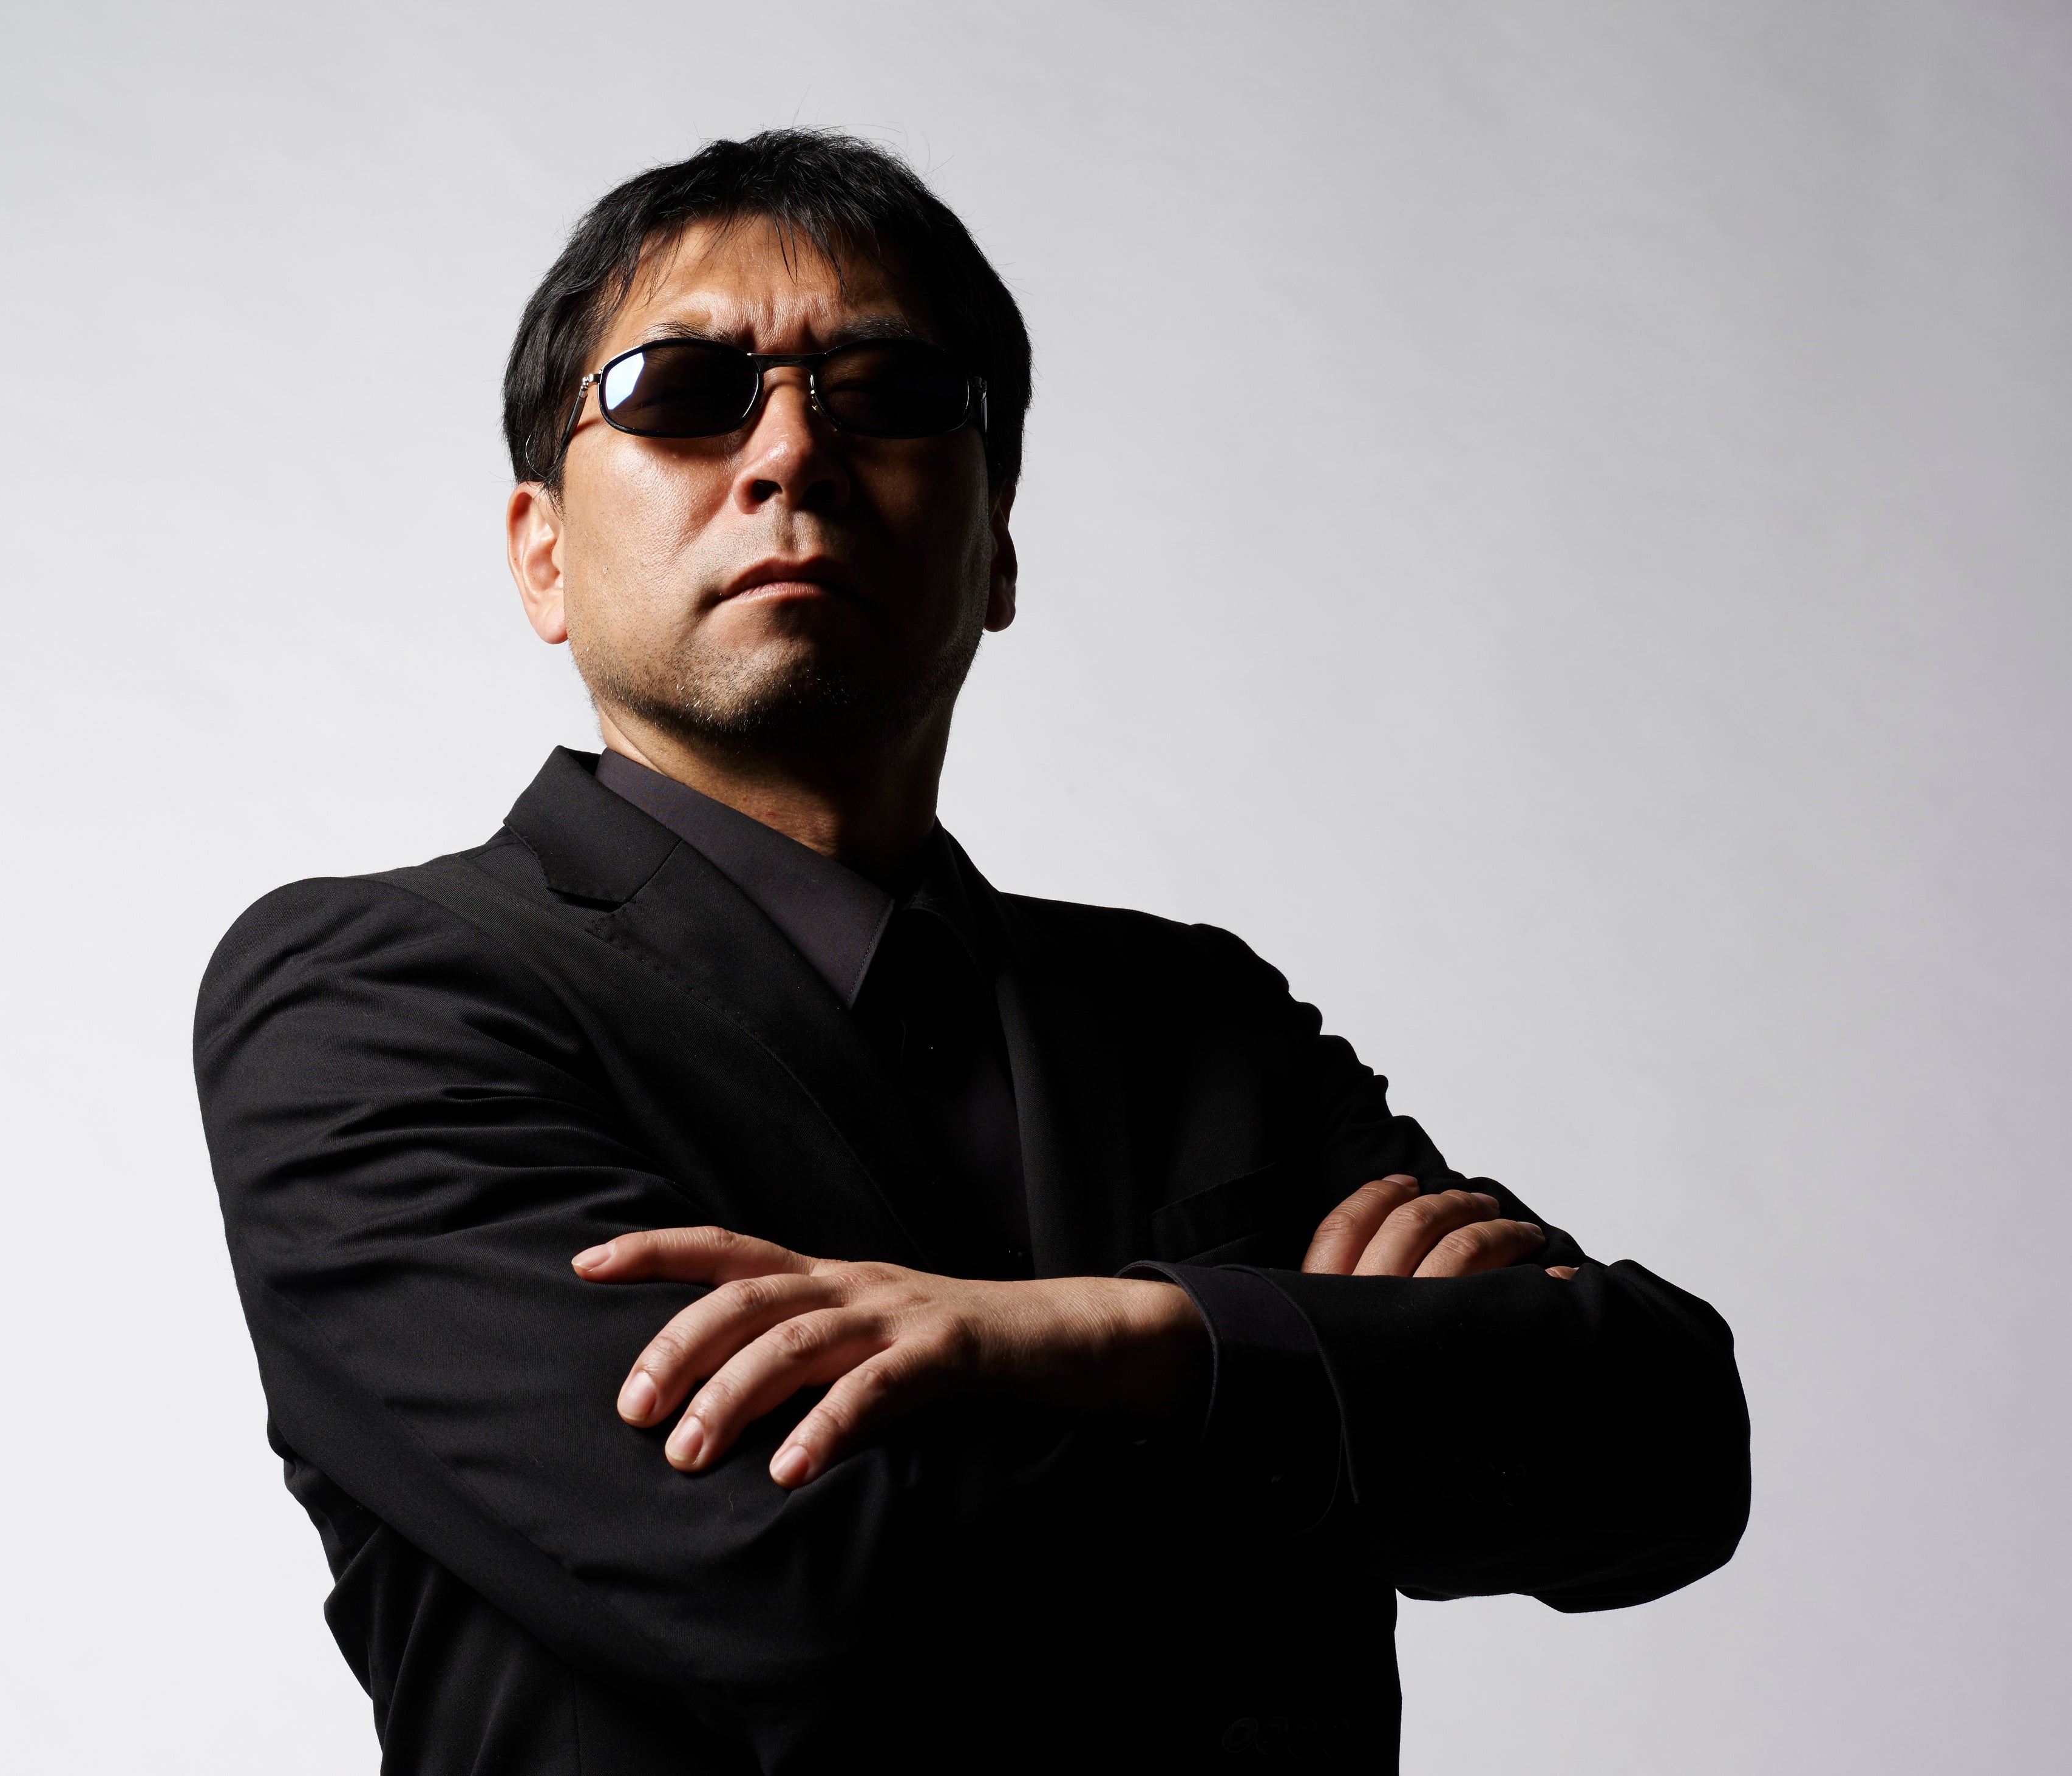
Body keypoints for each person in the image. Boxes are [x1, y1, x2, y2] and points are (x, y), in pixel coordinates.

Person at [194, 129, 1749, 1775]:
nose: (790, 453)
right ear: (543, 553)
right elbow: (809, 1601)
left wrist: (1125, 1336)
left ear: (995, 544)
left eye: (885, 392)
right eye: (683, 391)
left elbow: (1664, 1459)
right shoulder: (374, 993)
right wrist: (1323, 1392)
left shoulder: (1194, 1014)